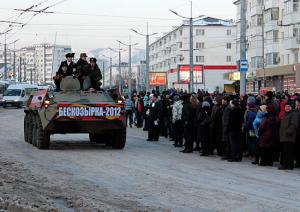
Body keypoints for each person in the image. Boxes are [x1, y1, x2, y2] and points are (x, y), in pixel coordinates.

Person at [279, 102, 299, 170]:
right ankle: (288, 165)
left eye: (288, 106)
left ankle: (287, 165)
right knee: (285, 151)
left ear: (291, 107)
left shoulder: (294, 114)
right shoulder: (285, 114)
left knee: (288, 152)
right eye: (286, 106)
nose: (287, 108)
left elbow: (294, 125)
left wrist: (288, 132)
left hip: (289, 136)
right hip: (284, 136)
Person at [221, 96, 232, 160]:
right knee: (226, 141)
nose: (222, 101)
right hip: (225, 126)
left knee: (227, 142)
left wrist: (225, 127)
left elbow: (226, 119)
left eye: (223, 100)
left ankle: (228, 154)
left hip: (226, 127)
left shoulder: (228, 108)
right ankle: (227, 154)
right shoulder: (226, 107)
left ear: (226, 101)